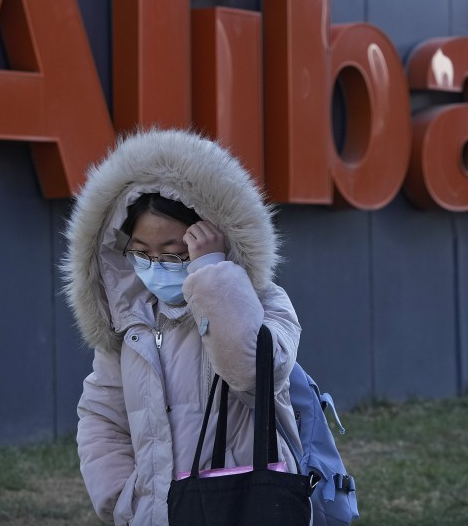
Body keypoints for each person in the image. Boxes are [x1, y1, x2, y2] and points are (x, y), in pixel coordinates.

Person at [62, 128, 303, 525]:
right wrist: (125, 499)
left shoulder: (264, 303)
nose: (155, 266)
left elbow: (254, 374)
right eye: (141, 253)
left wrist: (212, 273)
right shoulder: (131, 325)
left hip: (245, 507)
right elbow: (101, 417)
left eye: (174, 254)